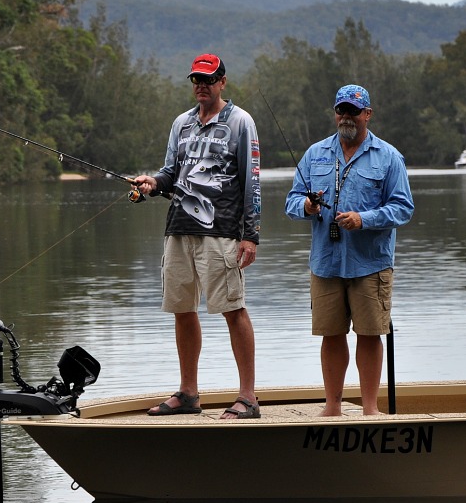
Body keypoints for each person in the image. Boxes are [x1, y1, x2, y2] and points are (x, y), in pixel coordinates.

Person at [133, 54, 262, 419]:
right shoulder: (182, 123)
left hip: (221, 232)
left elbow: (252, 181)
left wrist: (250, 235)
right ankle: (188, 394)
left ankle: (248, 397)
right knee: (182, 309)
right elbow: (171, 172)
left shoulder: (240, 121)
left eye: (208, 79)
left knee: (233, 310)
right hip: (178, 229)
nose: (201, 86)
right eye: (196, 80)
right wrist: (152, 183)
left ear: (222, 81)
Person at [285, 84, 413, 416]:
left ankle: (369, 409)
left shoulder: (389, 156)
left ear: (367, 115)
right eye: (341, 110)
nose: (347, 117)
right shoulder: (315, 154)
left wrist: (364, 219)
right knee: (331, 334)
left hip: (370, 263)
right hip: (325, 262)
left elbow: (403, 209)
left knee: (370, 335)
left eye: (354, 111)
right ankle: (332, 407)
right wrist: (308, 208)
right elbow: (291, 201)